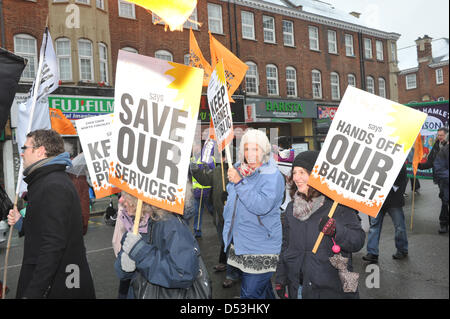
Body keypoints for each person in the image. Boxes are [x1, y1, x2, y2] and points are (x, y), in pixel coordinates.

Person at [7, 129, 95, 299]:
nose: (22, 153)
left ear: (40, 151)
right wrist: (21, 222)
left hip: (61, 283)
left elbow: (53, 244)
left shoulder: (53, 185)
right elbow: (46, 228)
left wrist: (33, 292)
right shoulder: (46, 181)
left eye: (25, 148)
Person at [275, 151, 365, 299]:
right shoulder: (291, 208)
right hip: (299, 287)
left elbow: (358, 240)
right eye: (294, 172)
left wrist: (336, 230)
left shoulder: (338, 206)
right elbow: (285, 246)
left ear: (316, 175)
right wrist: (281, 277)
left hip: (331, 289)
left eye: (302, 172)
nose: (296, 178)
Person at [223, 129, 285, 299]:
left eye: (255, 149)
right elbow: (233, 202)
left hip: (261, 245)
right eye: (247, 149)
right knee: (263, 292)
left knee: (250, 295)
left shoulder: (272, 175)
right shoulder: (239, 170)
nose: (250, 154)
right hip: (241, 242)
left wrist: (239, 183)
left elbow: (261, 206)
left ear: (264, 150)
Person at [114, 191, 202, 299]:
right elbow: (122, 274)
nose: (120, 200)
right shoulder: (135, 224)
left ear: (140, 197)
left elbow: (184, 273)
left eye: (125, 195)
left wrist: (140, 253)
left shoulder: (170, 224)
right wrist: (124, 266)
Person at [363, 164, 409, 263]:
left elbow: (403, 177)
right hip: (377, 198)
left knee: (399, 226)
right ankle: (372, 252)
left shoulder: (398, 161)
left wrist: (396, 189)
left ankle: (402, 249)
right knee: (374, 225)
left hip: (393, 199)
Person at [418, 127, 449, 233]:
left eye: (442, 135)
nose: (439, 137)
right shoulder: (436, 145)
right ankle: (444, 224)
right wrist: (418, 166)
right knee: (445, 201)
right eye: (438, 135)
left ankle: (444, 222)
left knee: (445, 200)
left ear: (446, 135)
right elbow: (430, 161)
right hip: (441, 180)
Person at [190, 141, 215, 238]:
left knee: (213, 210)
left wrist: (206, 167)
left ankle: (222, 223)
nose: (194, 148)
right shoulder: (192, 159)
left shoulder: (209, 157)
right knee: (197, 212)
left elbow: (213, 172)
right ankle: (197, 231)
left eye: (195, 145)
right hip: (197, 191)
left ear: (200, 146)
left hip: (207, 191)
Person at [433, 133, 449, 234]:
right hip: (446, 184)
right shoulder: (443, 151)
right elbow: (438, 168)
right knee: (445, 203)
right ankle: (443, 224)